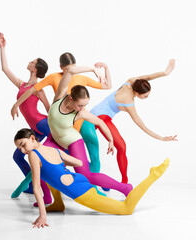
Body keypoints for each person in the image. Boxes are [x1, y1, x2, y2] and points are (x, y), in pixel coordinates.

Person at [14, 128, 169, 228]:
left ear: (33, 138)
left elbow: (36, 187)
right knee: (49, 177)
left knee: (126, 209)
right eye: (19, 148)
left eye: (22, 144)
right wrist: (61, 163)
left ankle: (152, 175)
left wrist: (42, 215)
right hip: (78, 179)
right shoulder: (53, 150)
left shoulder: (33, 155)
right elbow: (79, 162)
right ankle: (58, 204)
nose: (22, 150)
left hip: (80, 192)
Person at [11, 52, 112, 196]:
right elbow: (36, 92)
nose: (69, 71)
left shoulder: (81, 78)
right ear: (61, 67)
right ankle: (38, 189)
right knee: (47, 158)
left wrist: (104, 69)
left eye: (73, 68)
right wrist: (50, 116)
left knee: (93, 157)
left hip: (81, 121)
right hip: (63, 124)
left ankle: (95, 186)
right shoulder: (55, 78)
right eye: (66, 69)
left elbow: (107, 86)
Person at [82, 59, 178, 184]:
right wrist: (161, 138)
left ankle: (117, 180)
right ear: (137, 93)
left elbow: (148, 77)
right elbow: (143, 126)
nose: (146, 98)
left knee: (116, 147)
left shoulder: (131, 81)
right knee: (121, 147)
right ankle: (124, 182)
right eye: (145, 96)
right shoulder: (128, 103)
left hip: (96, 112)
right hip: (100, 117)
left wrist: (165, 73)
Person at [0, 32, 52, 203]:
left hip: (43, 124)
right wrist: (2, 47)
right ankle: (30, 186)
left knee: (40, 158)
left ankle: (47, 194)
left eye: (32, 61)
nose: (29, 62)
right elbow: (5, 69)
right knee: (17, 156)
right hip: (34, 129)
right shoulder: (22, 84)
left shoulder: (38, 87)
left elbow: (48, 108)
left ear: (35, 69)